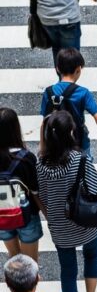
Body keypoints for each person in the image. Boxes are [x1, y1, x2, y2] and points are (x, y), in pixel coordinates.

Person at [37, 111, 97, 292]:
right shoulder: (79, 160)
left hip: (60, 225)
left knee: (68, 269)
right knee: (92, 256)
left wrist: (49, 216)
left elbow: (41, 196)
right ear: (71, 134)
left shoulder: (40, 165)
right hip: (85, 222)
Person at [41, 48, 97, 158]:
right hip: (79, 142)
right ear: (78, 69)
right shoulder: (83, 92)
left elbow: (44, 121)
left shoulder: (48, 92)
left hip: (54, 142)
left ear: (57, 69)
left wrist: (43, 145)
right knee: (83, 169)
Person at [0, 109, 43, 261]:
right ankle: (30, 284)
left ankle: (15, 283)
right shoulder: (26, 158)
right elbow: (36, 192)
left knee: (14, 259)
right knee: (30, 264)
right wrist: (49, 215)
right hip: (26, 215)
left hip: (2, 214)